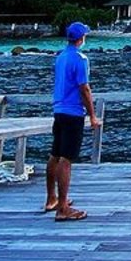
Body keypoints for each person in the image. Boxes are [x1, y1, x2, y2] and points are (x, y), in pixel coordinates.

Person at [44, 21, 99, 222]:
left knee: (55, 155)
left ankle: (52, 198)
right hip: (73, 112)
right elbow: (84, 88)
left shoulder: (61, 57)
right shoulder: (80, 59)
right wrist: (92, 115)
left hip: (59, 109)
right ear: (81, 38)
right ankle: (63, 207)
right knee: (66, 159)